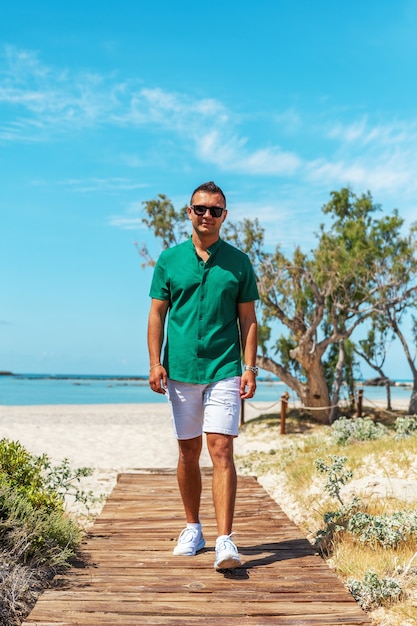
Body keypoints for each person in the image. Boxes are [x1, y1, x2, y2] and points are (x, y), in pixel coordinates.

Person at [147, 181, 258, 570]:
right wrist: (154, 362)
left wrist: (249, 367)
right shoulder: (169, 260)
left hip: (224, 369)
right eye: (200, 209)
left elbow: (248, 319)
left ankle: (225, 540)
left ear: (224, 216)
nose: (206, 216)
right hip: (178, 370)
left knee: (221, 449)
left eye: (214, 210)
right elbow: (157, 314)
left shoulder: (239, 262)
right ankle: (193, 528)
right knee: (188, 451)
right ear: (189, 212)